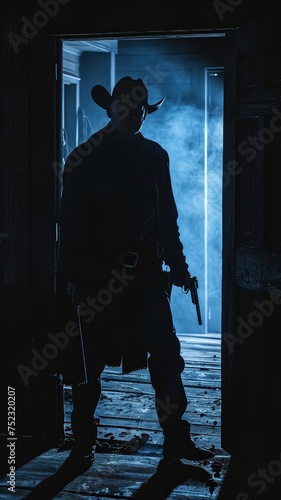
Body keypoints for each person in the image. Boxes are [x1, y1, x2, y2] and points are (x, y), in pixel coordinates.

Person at [55, 76, 215, 467]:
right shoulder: (84, 158)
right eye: (126, 107)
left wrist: (179, 267)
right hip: (98, 278)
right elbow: (70, 225)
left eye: (141, 109)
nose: (134, 114)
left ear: (147, 112)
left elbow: (168, 221)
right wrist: (72, 278)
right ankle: (82, 444)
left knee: (166, 355)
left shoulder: (156, 156)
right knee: (88, 363)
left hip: (145, 276)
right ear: (111, 109)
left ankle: (176, 441)